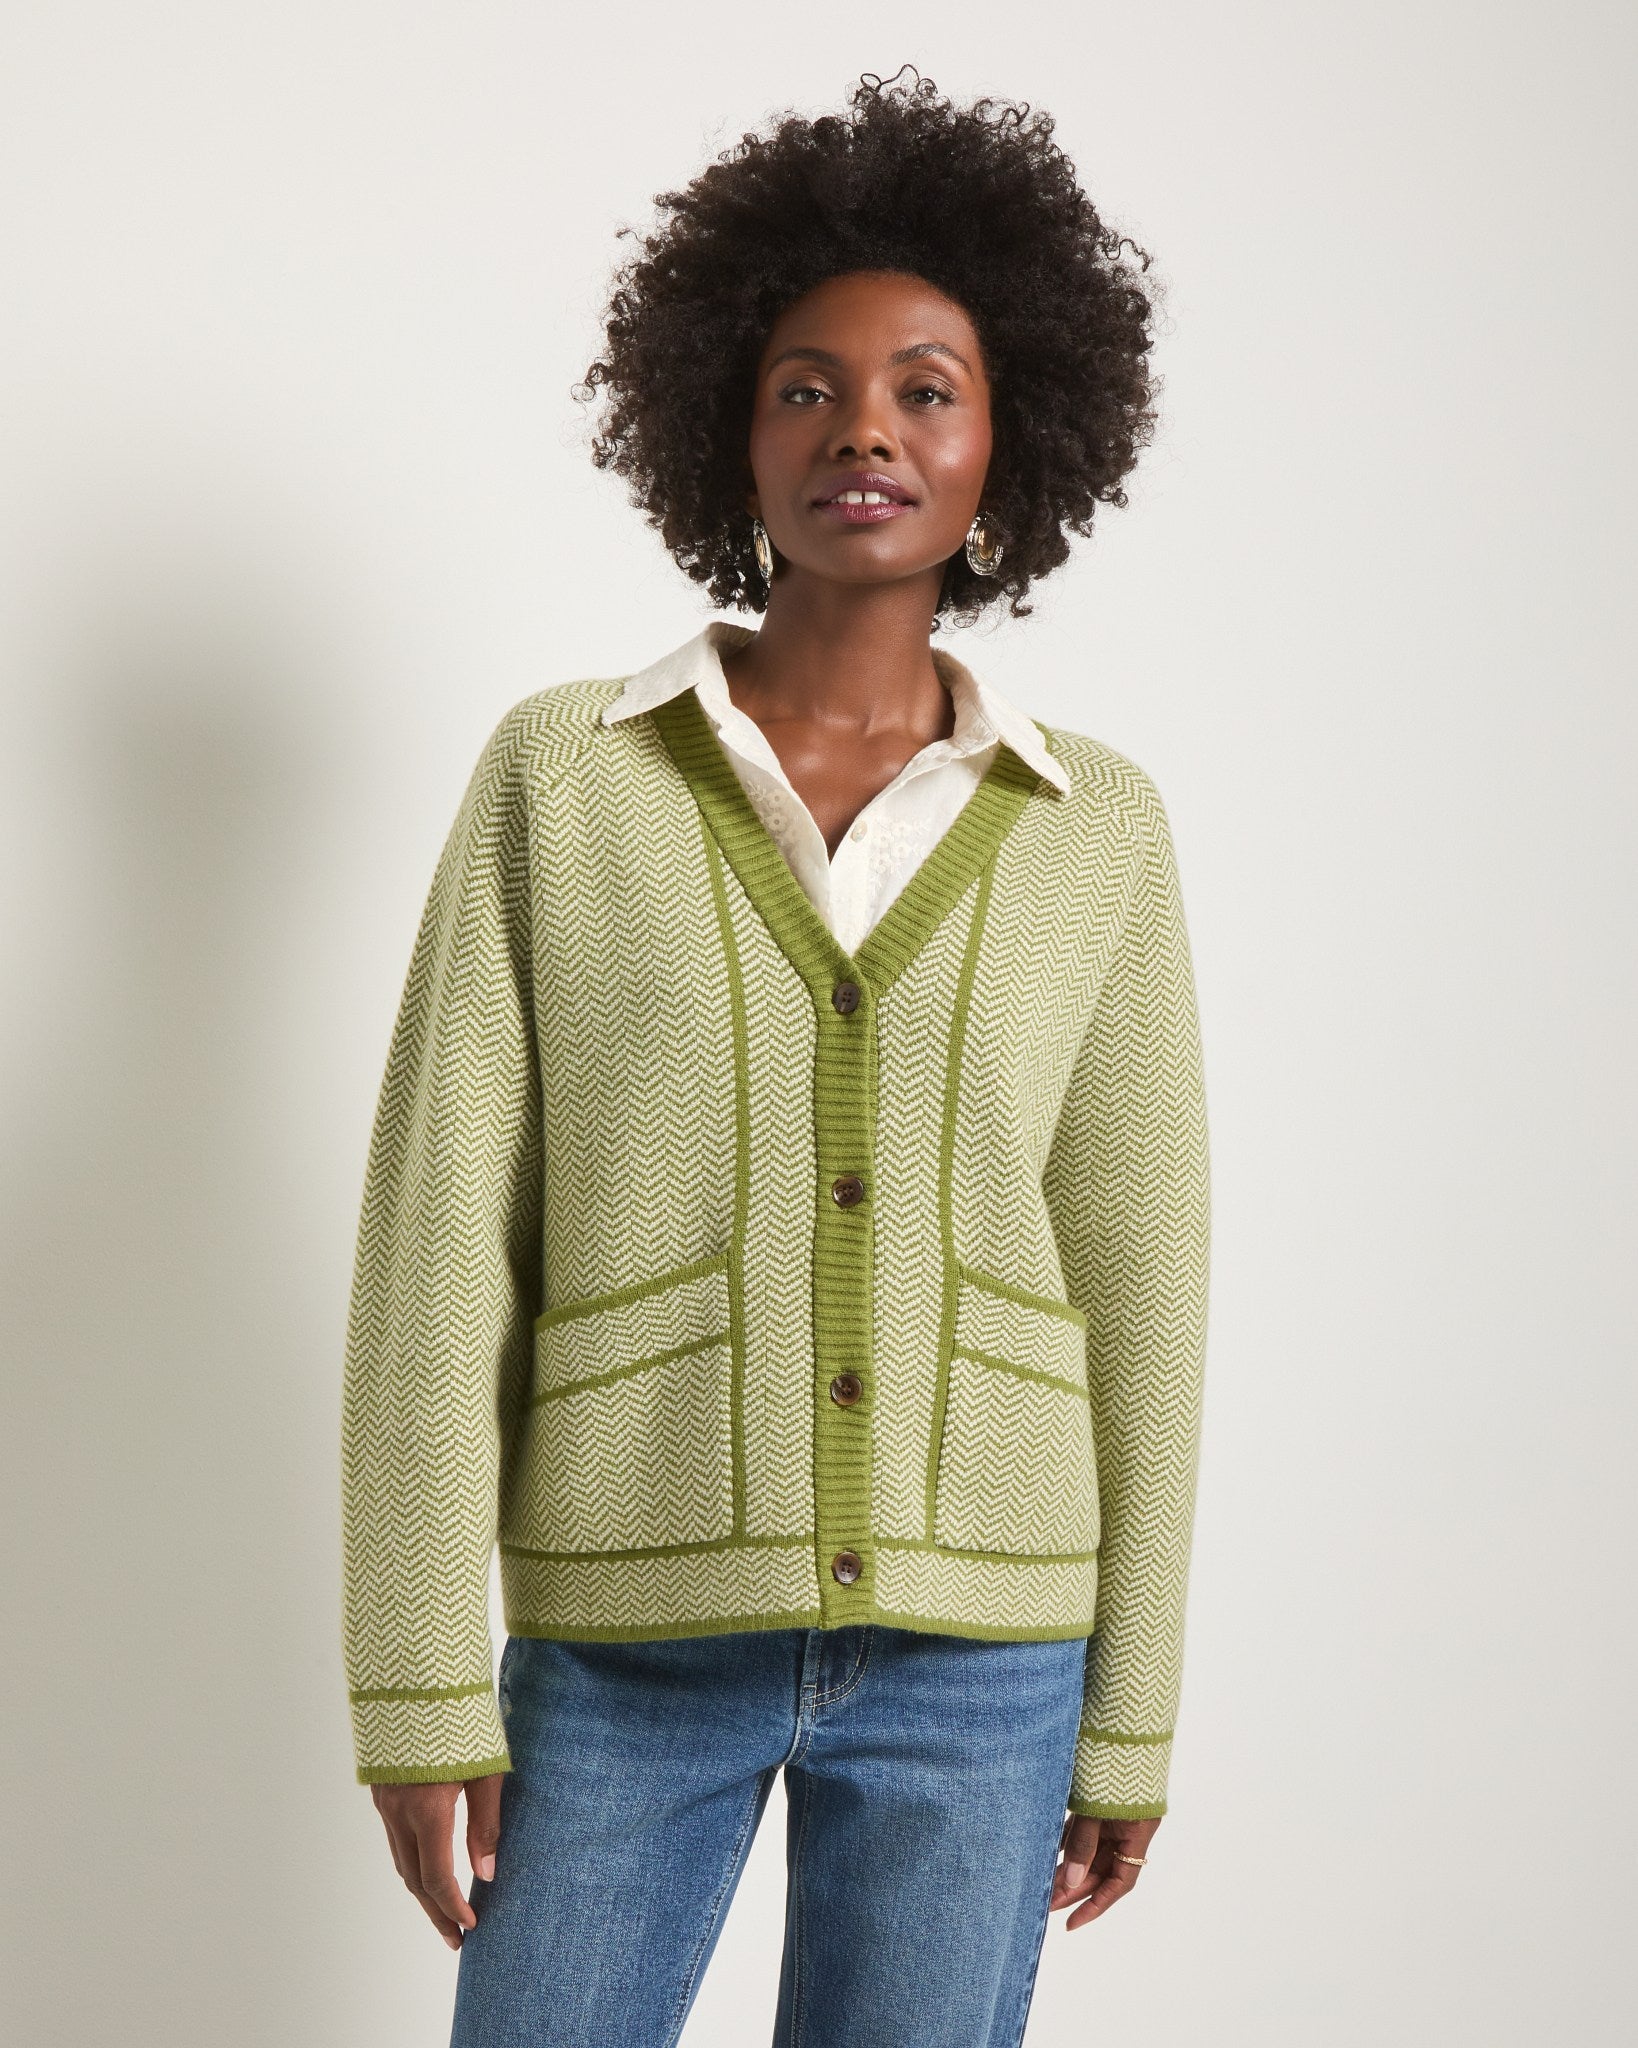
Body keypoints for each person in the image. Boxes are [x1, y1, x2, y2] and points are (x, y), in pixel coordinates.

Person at [340, 65, 1211, 2048]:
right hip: (624, 1636)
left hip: (985, 1658)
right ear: (727, 431)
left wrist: (1132, 1701)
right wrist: (418, 1673)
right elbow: (438, 1243)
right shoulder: (564, 776)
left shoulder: (1097, 828)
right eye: (805, 387)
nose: (864, 429)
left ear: (1007, 442)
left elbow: (1147, 1282)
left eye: (925, 388)